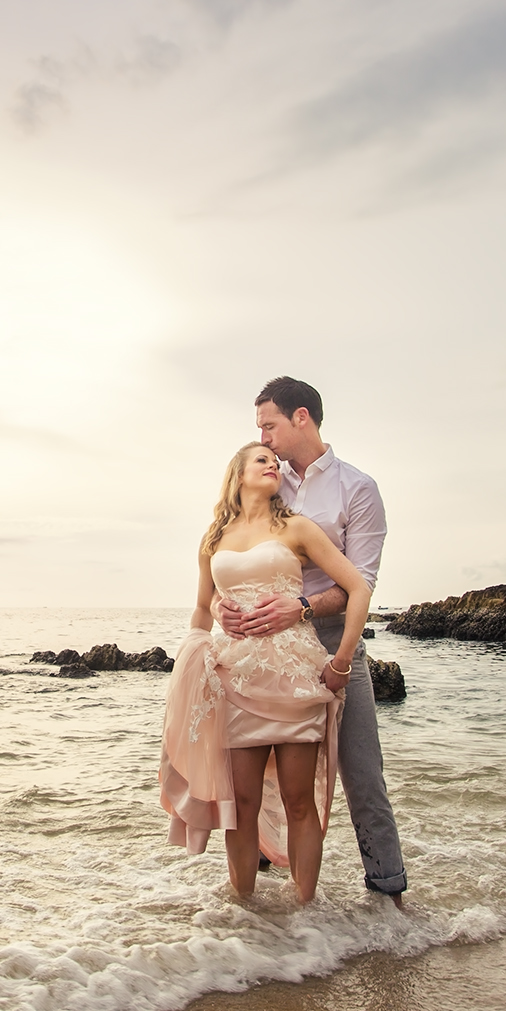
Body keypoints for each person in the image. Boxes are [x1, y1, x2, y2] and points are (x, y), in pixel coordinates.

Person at [217, 376, 408, 904]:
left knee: (362, 774)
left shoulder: (356, 488)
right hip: (260, 649)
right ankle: (255, 910)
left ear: (302, 418)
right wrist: (220, 608)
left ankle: (388, 898)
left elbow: (360, 583)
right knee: (256, 780)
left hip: (330, 636)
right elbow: (229, 559)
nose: (264, 438)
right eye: (259, 431)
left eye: (269, 425)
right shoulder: (267, 478)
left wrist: (305, 612)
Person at [159, 442, 373, 903]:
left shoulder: (296, 527)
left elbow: (357, 588)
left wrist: (342, 663)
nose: (273, 465)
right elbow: (201, 609)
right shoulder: (213, 539)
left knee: (299, 801)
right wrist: (194, 659)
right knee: (243, 806)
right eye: (262, 460)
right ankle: (244, 915)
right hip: (235, 681)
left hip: (294, 677)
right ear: (238, 474)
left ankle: (305, 915)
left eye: (275, 462)